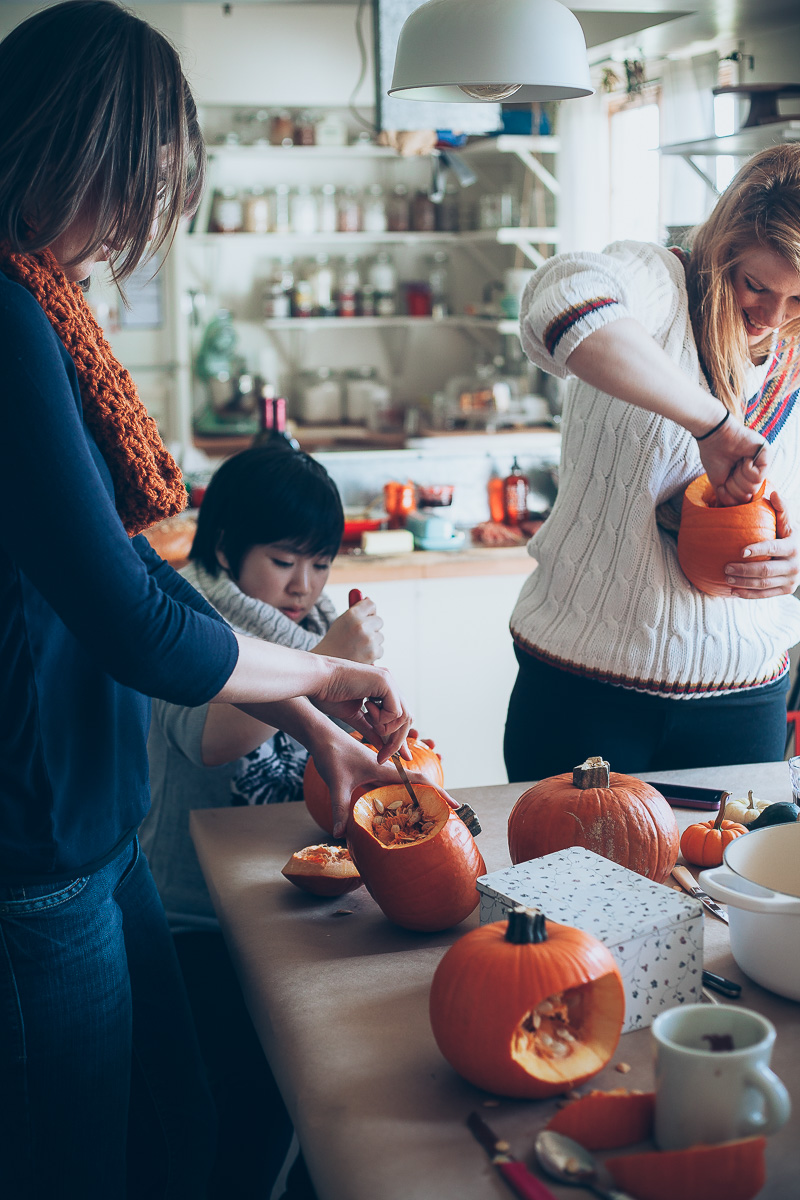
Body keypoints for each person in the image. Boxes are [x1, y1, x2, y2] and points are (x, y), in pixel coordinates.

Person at [0, 4, 411, 1197]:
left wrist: (319, 726)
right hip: (35, 848)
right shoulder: (12, 316)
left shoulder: (44, 307)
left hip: (95, 833)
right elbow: (127, 623)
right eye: (138, 188)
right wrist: (325, 675)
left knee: (177, 1141)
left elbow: (131, 573)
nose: (134, 230)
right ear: (79, 152)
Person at [505, 143, 800, 782]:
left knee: (721, 883)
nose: (773, 319)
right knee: (567, 882)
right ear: (725, 246)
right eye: (756, 285)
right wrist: (713, 424)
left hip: (746, 692)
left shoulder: (793, 349)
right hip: (586, 687)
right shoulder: (657, 284)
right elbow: (559, 303)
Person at [140, 445, 383, 1198]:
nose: (303, 584)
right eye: (283, 561)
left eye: (319, 563)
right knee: (232, 1119)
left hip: (292, 902)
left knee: (337, 1098)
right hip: (198, 920)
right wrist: (324, 663)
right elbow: (211, 744)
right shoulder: (182, 613)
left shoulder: (311, 617)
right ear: (224, 547)